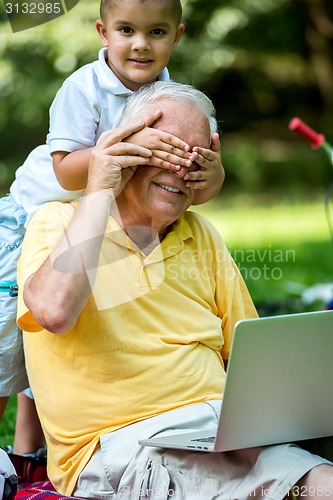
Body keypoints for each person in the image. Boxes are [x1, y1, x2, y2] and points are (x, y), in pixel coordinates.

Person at [17, 81, 333, 499]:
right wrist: (99, 188)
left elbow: (251, 357)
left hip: (222, 435)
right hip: (126, 447)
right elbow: (54, 312)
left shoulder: (201, 233)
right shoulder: (57, 223)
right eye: (164, 150)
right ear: (125, 149)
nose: (181, 168)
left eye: (195, 156)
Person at [0, 0, 224, 449]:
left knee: (48, 352)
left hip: (95, 225)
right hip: (28, 220)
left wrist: (212, 177)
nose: (140, 45)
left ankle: (30, 458)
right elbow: (65, 171)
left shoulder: (174, 99)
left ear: (176, 37)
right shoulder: (84, 87)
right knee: (7, 340)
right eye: (126, 30)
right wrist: (128, 144)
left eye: (156, 33)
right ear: (103, 32)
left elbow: (188, 184)